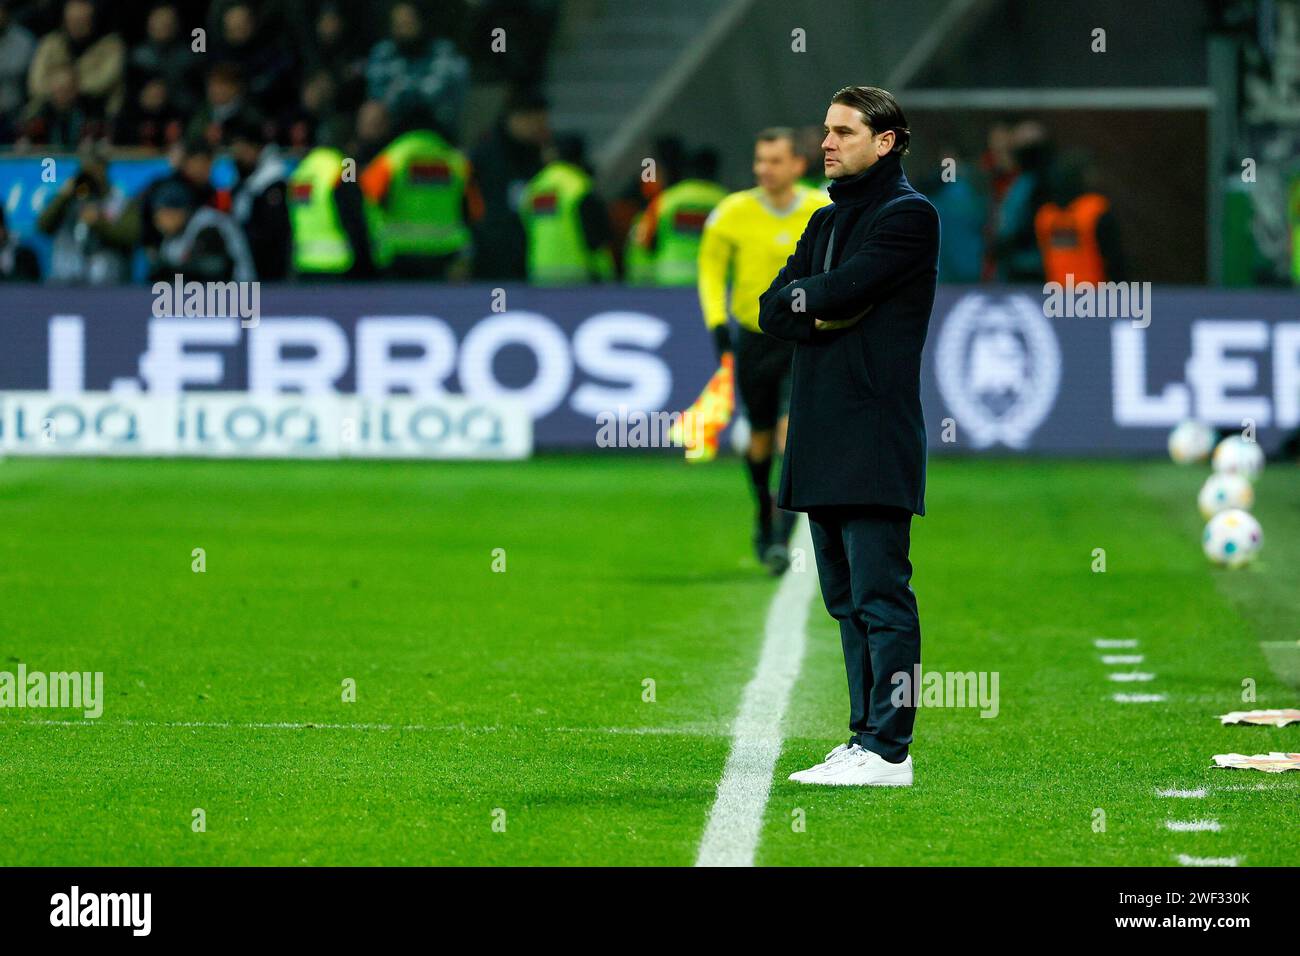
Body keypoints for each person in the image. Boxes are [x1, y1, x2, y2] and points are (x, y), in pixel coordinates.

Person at [758, 86, 939, 787]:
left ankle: (890, 749)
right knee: (843, 600)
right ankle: (864, 737)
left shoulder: (909, 216)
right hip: (822, 429)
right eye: (825, 131)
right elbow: (777, 308)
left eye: (842, 132)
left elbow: (846, 286)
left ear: (884, 142)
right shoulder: (823, 219)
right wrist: (823, 309)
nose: (826, 143)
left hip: (873, 429)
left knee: (881, 595)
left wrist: (824, 301)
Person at [696, 128, 830, 572]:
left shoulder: (820, 208)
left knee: (791, 434)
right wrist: (717, 321)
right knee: (757, 439)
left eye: (774, 160)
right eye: (759, 160)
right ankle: (763, 509)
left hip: (802, 339)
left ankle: (780, 533)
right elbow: (711, 271)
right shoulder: (732, 213)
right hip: (753, 340)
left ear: (796, 165)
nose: (763, 169)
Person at [518, 132, 613, 284]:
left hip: (540, 272)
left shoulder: (535, 187)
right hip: (578, 274)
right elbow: (595, 235)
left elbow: (526, 226)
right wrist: (604, 272)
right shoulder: (580, 186)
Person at [36, 147, 128, 284]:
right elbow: (42, 226)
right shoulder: (68, 198)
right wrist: (62, 197)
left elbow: (129, 236)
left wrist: (99, 222)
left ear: (105, 171)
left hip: (103, 275)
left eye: (96, 170)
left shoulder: (116, 199)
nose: (92, 176)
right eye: (87, 170)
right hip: (65, 273)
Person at [150, 178, 254, 284]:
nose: (158, 222)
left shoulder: (208, 224)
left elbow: (215, 267)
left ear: (178, 212)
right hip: (209, 293)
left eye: (162, 215)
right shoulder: (171, 238)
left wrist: (170, 270)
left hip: (240, 291)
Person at [229, 113, 290, 281]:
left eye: (242, 149)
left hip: (269, 273)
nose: (237, 156)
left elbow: (274, 235)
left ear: (257, 148)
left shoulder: (273, 183)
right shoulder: (245, 180)